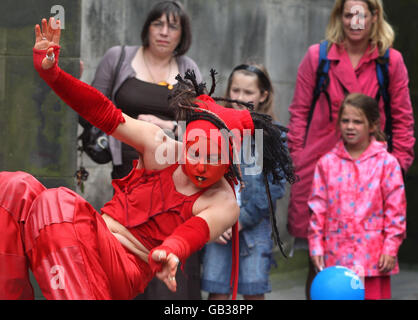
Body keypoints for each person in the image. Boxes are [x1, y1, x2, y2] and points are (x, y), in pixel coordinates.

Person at [0, 17, 295, 300]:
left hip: (123, 267)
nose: (201, 165)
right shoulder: (160, 147)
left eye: (214, 157)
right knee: (14, 188)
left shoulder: (224, 201)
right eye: (195, 152)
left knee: (57, 202)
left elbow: (194, 231)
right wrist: (53, 75)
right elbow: (103, 112)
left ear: (230, 157)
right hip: (92, 237)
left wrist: (172, 250)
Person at [286, 0, 415, 299]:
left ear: (374, 17)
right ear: (339, 17)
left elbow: (403, 119)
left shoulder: (389, 61)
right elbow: (298, 112)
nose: (355, 21)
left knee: (371, 269)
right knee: (317, 263)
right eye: (348, 14)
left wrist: (396, 166)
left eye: (362, 14)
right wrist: (297, 160)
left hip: (372, 177)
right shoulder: (317, 58)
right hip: (318, 169)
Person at [80, 1, 203, 300]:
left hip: (175, 184)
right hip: (129, 179)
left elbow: (204, 129)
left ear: (182, 34)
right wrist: (77, 80)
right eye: (157, 24)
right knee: (126, 259)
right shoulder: (118, 57)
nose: (164, 32)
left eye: (172, 26)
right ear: (146, 27)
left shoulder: (189, 69)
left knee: (169, 269)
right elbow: (92, 109)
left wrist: (168, 129)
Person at [308, 93, 406, 300]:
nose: (350, 126)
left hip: (373, 258)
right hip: (336, 257)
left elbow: (396, 211)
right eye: (345, 120)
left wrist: (391, 247)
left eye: (357, 121)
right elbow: (317, 209)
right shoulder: (326, 163)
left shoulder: (387, 163)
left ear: (372, 125)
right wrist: (316, 245)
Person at [201, 63, 287, 300]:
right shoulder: (213, 130)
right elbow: (200, 178)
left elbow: (274, 188)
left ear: (263, 95)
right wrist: (213, 220)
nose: (240, 98)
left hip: (254, 225)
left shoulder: (273, 137)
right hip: (218, 225)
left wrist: (239, 220)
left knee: (253, 290)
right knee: (217, 290)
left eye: (248, 93)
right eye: (235, 90)